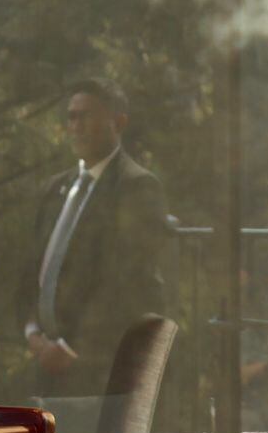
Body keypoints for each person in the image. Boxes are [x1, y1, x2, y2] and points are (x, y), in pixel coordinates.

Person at [20, 77, 167, 397]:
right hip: (45, 359)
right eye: (71, 116)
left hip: (97, 370)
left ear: (118, 122)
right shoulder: (56, 188)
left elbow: (128, 280)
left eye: (86, 116)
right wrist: (32, 330)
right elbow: (35, 266)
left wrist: (72, 349)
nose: (76, 125)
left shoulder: (137, 187)